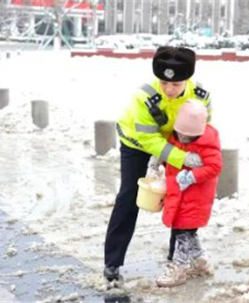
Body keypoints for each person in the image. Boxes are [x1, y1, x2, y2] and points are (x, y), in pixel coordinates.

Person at [103, 46, 212, 282]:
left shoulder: (200, 95)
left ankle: (177, 260)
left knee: (180, 197)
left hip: (178, 143)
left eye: (175, 84)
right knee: (130, 195)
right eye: (164, 83)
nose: (169, 89)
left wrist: (193, 154)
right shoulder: (144, 96)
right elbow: (147, 138)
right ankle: (112, 262)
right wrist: (178, 157)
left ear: (187, 79)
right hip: (136, 144)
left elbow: (204, 125)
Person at [156, 100, 222, 287]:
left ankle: (180, 268)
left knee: (183, 234)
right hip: (178, 196)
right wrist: (161, 165)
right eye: (180, 134)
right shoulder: (174, 138)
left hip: (195, 198)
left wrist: (192, 176)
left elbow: (215, 166)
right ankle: (201, 262)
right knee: (188, 233)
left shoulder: (207, 143)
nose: (183, 138)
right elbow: (168, 155)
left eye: (189, 136)